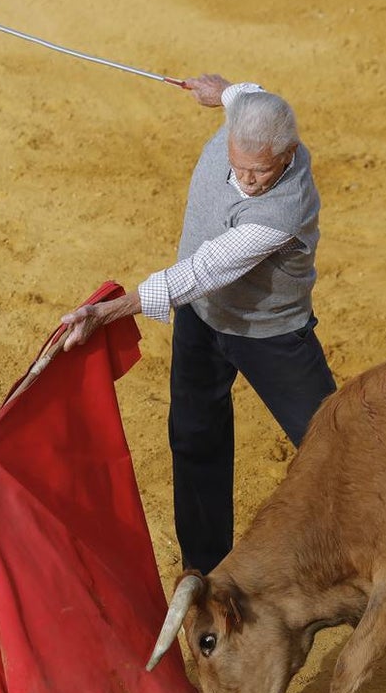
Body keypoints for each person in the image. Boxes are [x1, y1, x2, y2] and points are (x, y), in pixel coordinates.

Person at [60, 74, 337, 575]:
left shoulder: (279, 211)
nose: (247, 182)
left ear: (288, 152)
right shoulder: (242, 122)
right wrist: (224, 90)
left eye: (260, 172)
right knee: (193, 435)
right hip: (204, 318)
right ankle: (204, 570)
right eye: (239, 167)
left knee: (334, 448)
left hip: (268, 332)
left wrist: (105, 313)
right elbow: (243, 95)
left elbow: (201, 271)